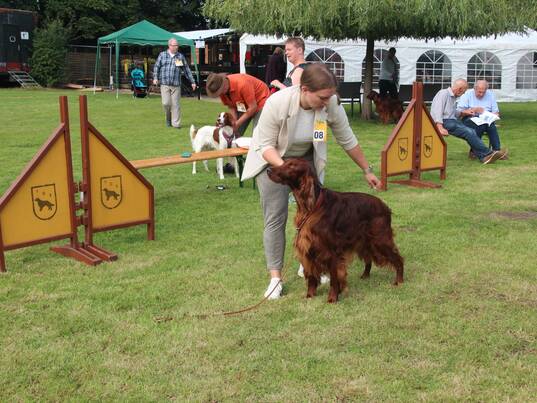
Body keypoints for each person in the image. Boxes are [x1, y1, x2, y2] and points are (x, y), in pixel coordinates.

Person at [241, 63, 381, 300]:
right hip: (272, 160)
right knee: (275, 217)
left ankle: (309, 264)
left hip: (306, 160)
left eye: (330, 97)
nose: (327, 103)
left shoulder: (330, 104)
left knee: (317, 218)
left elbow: (347, 138)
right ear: (304, 89)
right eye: (323, 98)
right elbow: (265, 145)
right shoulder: (277, 103)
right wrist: (287, 171)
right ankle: (275, 279)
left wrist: (367, 170)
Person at [430, 78, 506, 164]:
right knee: (469, 132)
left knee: (472, 131)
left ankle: (484, 155)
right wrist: (439, 126)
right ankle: (487, 154)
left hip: (451, 121)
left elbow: (452, 113)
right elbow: (437, 110)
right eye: (464, 91)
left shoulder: (452, 97)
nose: (464, 93)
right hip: (445, 121)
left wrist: (463, 112)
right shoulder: (443, 93)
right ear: (459, 89)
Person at [206, 72, 270, 137]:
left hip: (261, 101)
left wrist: (238, 123)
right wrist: (234, 122)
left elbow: (253, 107)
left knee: (258, 134)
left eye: (219, 92)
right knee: (233, 132)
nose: (219, 94)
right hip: (243, 104)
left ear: (224, 84)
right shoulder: (222, 92)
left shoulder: (242, 84)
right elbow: (231, 106)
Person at [152, 38, 197, 129]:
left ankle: (176, 124)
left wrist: (192, 82)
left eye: (177, 45)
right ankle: (168, 119)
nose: (176, 47)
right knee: (166, 103)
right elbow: (157, 67)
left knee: (176, 105)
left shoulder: (180, 56)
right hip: (164, 84)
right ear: (169, 46)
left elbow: (186, 69)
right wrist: (155, 78)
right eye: (174, 45)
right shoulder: (162, 55)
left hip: (176, 85)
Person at [457, 79, 507, 159]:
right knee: (482, 125)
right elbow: (459, 112)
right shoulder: (467, 94)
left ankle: (494, 151)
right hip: (469, 118)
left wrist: (491, 115)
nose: (481, 94)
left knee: (490, 125)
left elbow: (496, 112)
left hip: (486, 118)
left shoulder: (490, 95)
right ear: (475, 89)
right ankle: (492, 151)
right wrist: (473, 110)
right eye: (479, 92)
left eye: (483, 92)